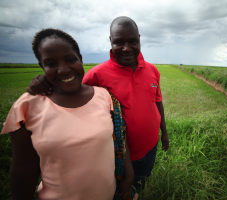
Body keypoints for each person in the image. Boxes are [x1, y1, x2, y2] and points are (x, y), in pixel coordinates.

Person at [27, 16, 170, 190]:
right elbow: (70, 89)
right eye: (119, 42)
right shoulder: (96, 75)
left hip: (150, 146)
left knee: (141, 185)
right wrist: (47, 81)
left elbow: (157, 103)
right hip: (118, 155)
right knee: (119, 190)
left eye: (132, 41)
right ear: (111, 42)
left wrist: (164, 132)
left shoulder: (152, 70)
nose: (126, 48)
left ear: (139, 39)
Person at [1, 28, 137, 200]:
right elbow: (23, 167)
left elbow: (119, 139)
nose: (64, 69)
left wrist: (128, 174)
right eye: (51, 63)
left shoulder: (104, 97)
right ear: (41, 66)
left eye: (70, 59)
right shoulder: (27, 107)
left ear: (80, 59)